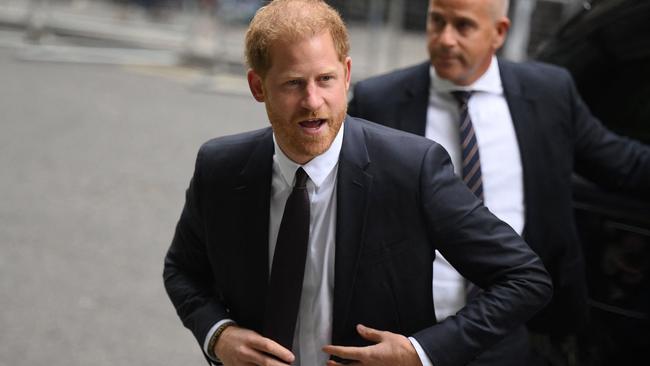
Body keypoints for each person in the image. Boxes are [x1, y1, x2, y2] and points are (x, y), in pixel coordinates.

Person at [163, 1, 552, 365]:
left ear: (347, 75)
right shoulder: (220, 167)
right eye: (293, 84)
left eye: (326, 79)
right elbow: (182, 271)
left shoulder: (411, 169)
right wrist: (218, 336)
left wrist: (421, 352)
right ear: (257, 86)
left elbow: (524, 278)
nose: (313, 101)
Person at [347, 0, 650, 364]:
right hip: (406, 336)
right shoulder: (379, 102)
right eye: (436, 21)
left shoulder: (548, 94)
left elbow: (625, 164)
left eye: (463, 26)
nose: (444, 39)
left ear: (500, 33)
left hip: (511, 332)